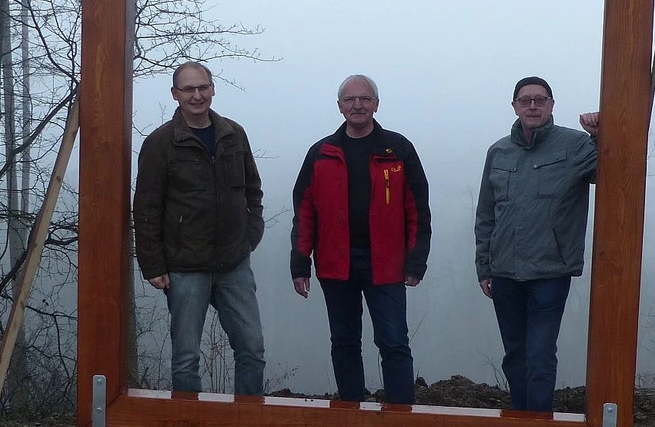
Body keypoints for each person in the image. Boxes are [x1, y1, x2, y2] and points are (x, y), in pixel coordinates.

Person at [290, 75, 431, 404]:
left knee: (394, 343)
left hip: (387, 264)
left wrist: (416, 261)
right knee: (344, 342)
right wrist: (300, 263)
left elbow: (417, 210)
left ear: (376, 105)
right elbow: (305, 211)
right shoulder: (321, 153)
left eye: (365, 99)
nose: (357, 105)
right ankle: (351, 418)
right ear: (339, 106)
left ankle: (400, 422)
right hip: (335, 263)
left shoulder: (398, 149)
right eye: (350, 100)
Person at [133, 60, 266, 396]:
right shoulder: (161, 143)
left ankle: (246, 422)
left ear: (213, 89)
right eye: (188, 89)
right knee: (186, 357)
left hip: (233, 264)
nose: (197, 95)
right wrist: (153, 264)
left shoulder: (233, 135)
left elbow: (253, 190)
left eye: (203, 87)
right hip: (185, 267)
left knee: (252, 348)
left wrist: (250, 236)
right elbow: (146, 208)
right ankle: (190, 426)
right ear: (175, 94)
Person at [474, 76, 601, 413]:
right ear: (514, 106)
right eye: (525, 100)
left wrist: (600, 136)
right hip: (504, 272)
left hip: (550, 270)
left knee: (540, 355)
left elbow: (611, 173)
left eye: (540, 100)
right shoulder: (498, 152)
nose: (532, 106)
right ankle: (521, 425)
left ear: (551, 105)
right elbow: (486, 213)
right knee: (515, 356)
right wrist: (484, 267)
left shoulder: (575, 146)